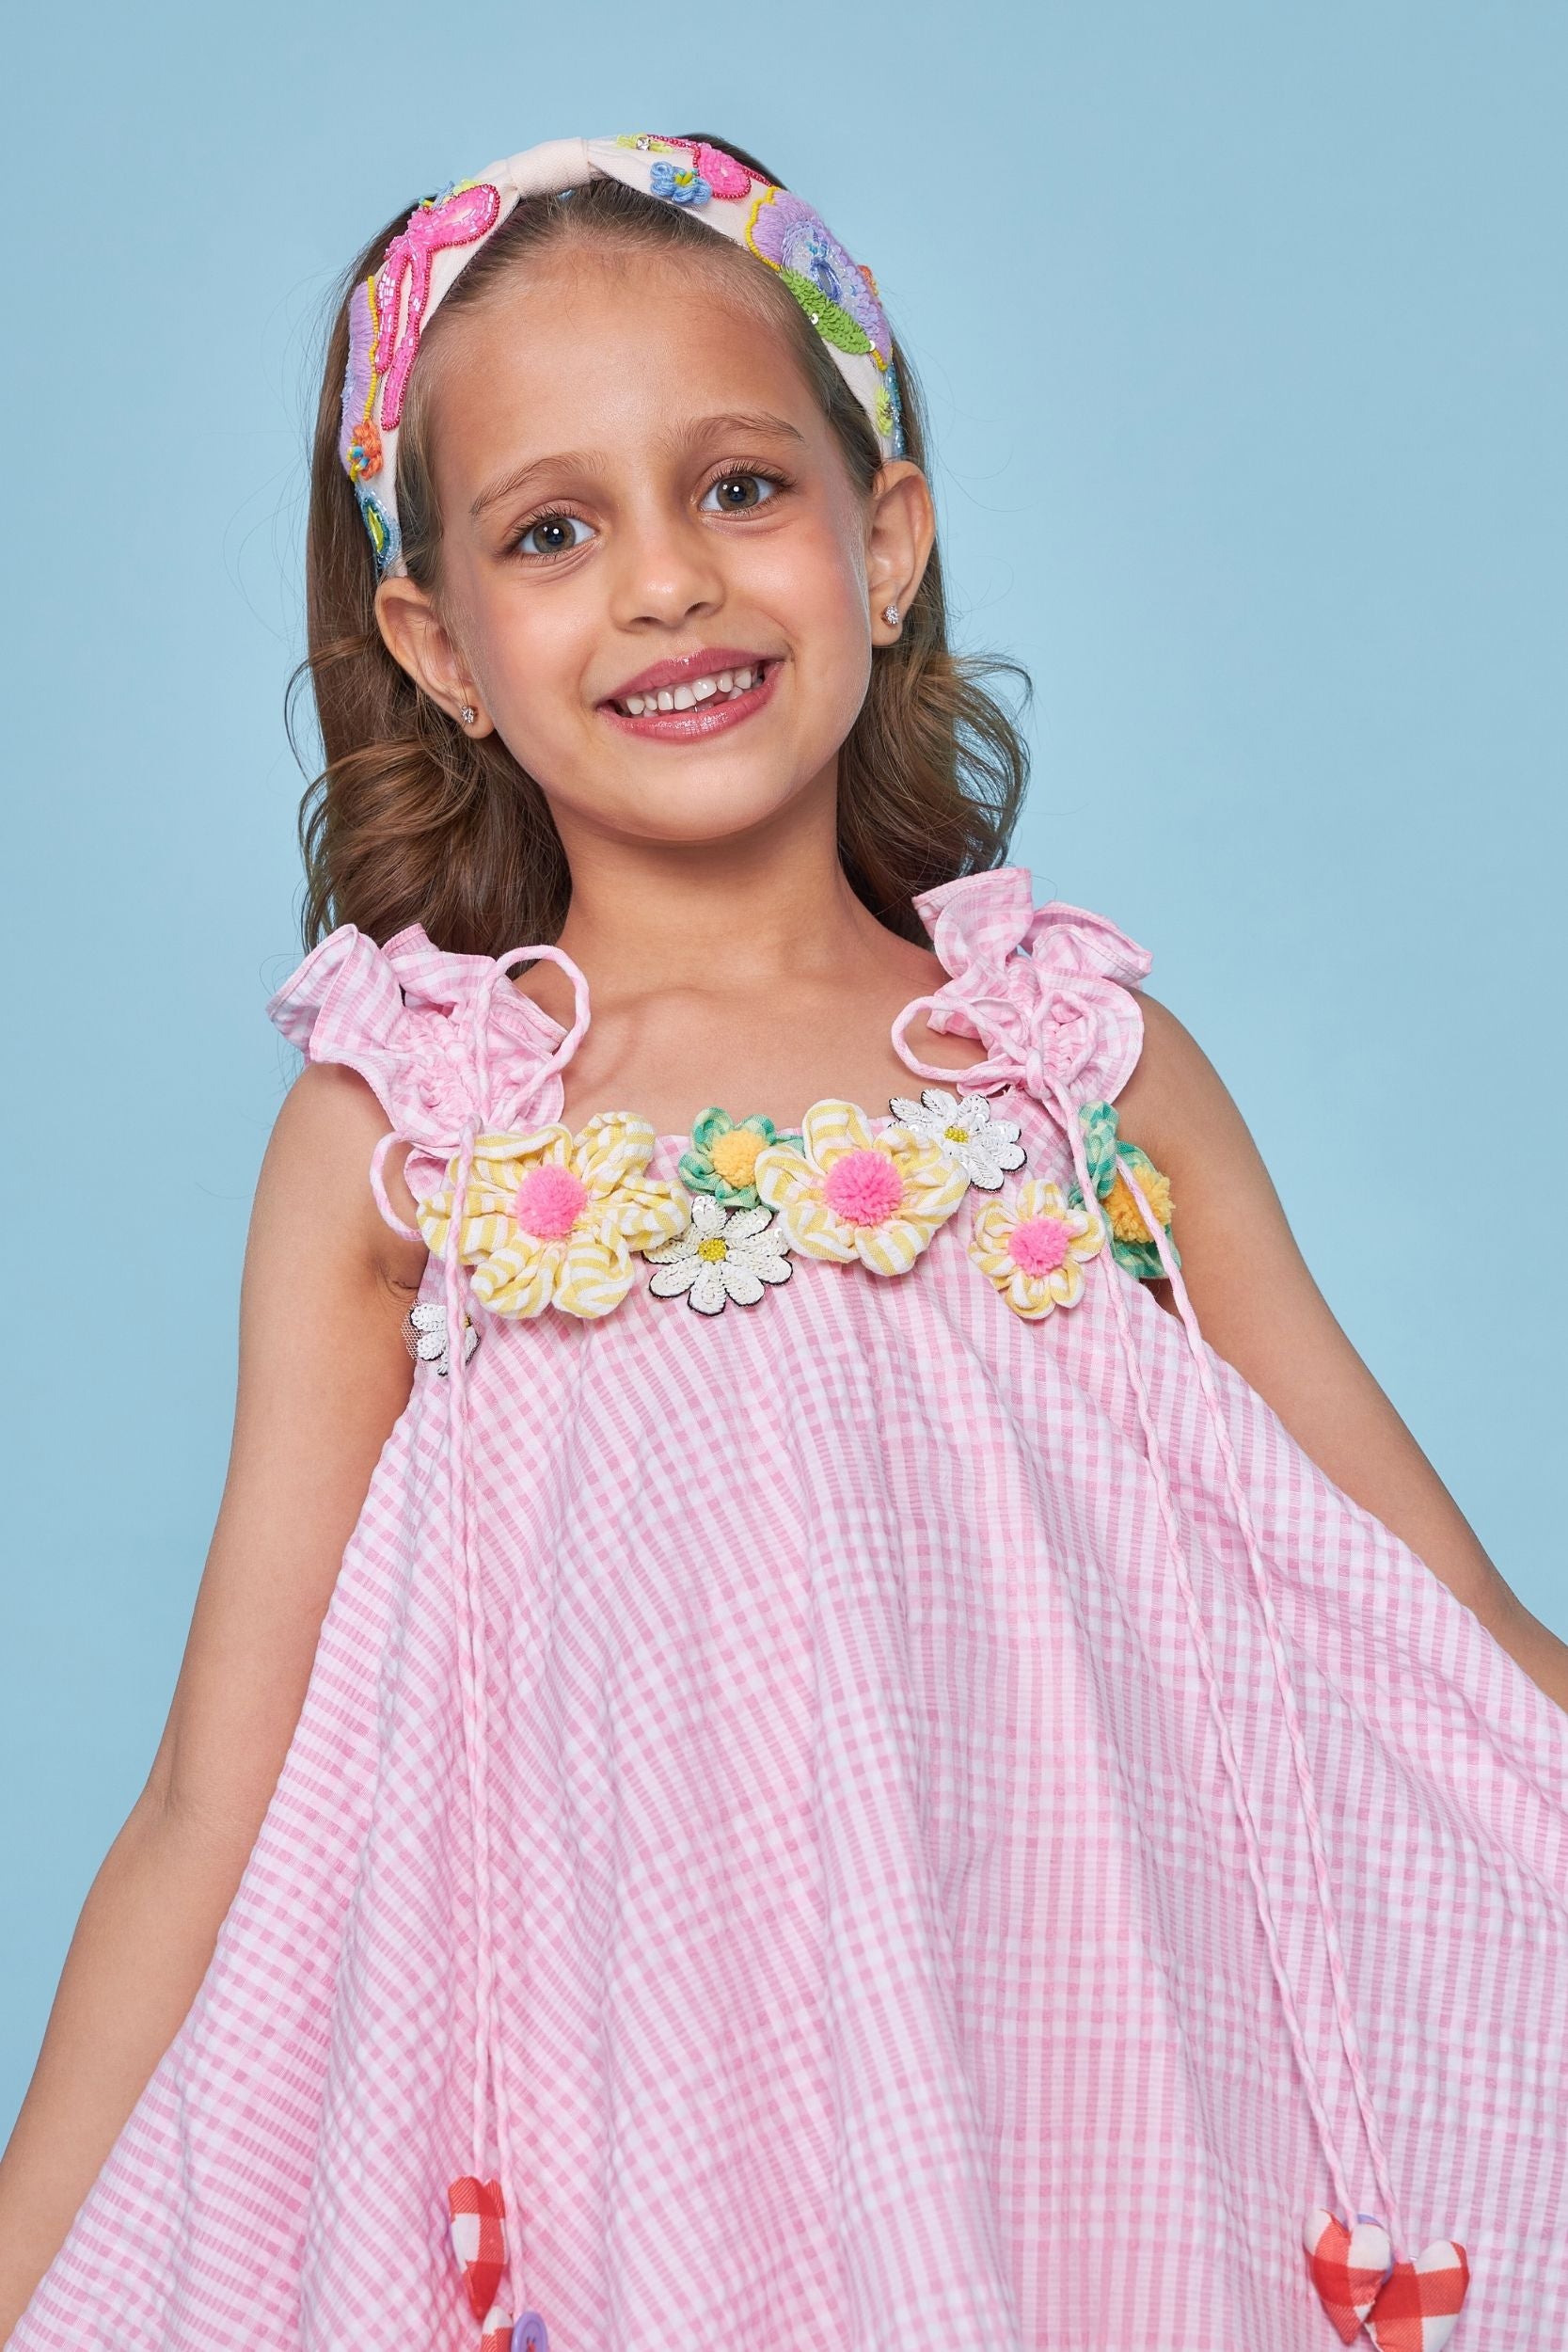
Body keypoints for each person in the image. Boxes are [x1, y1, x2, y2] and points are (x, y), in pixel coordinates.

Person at [3, 131, 1564, 2352]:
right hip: (641, 2142)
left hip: (1072, 2098)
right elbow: (205, 1809)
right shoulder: (416, 1133)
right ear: (440, 645)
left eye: (739, 486)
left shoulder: (1067, 1068)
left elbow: (1444, 1631)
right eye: (554, 530)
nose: (666, 582)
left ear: (884, 539)